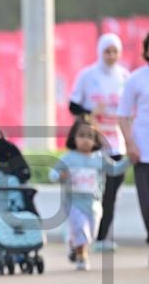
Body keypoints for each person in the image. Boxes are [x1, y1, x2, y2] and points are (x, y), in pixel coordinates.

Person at [69, 33, 130, 251]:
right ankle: (79, 236)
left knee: (111, 192)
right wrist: (91, 111)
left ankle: (102, 238)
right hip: (92, 144)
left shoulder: (125, 76)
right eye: (107, 51)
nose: (111, 56)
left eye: (115, 52)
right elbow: (73, 105)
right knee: (88, 190)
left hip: (116, 142)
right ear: (100, 52)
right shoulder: (87, 76)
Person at [49, 117, 130, 271]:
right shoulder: (68, 158)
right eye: (81, 135)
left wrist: (130, 160)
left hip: (93, 204)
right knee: (81, 228)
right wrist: (59, 176)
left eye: (90, 136)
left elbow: (114, 169)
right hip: (73, 203)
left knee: (90, 233)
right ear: (73, 138)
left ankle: (74, 245)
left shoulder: (99, 158)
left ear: (96, 140)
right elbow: (53, 174)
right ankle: (82, 257)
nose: (86, 140)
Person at [118, 32, 149, 248]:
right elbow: (123, 115)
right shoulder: (136, 78)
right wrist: (129, 143)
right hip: (143, 149)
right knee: (147, 204)